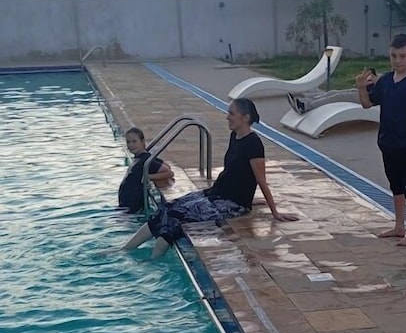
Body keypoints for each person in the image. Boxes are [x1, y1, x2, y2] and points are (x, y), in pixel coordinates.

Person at [122, 97, 298, 258]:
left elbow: (260, 179)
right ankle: (125, 249)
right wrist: (251, 198)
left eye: (232, 114)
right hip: (216, 193)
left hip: (231, 204)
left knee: (176, 216)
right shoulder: (235, 136)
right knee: (167, 207)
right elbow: (236, 174)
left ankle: (154, 260)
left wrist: (274, 212)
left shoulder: (254, 144)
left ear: (245, 117)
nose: (227, 117)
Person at [356, 33, 406, 247]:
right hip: (388, 144)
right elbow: (367, 104)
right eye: (393, 56)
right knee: (396, 187)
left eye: (402, 56)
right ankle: (399, 226)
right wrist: (361, 87)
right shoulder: (386, 81)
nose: (397, 61)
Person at [117, 127, 174, 213]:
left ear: (143, 142)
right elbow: (166, 165)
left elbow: (169, 173)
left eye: (134, 141)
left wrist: (147, 176)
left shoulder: (145, 160)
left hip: (132, 208)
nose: (131, 145)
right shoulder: (143, 158)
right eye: (128, 142)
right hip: (127, 207)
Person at [287, 69, 378, 114]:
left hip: (370, 98)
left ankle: (305, 106)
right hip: (367, 93)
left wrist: (374, 81)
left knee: (337, 97)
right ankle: (307, 100)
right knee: (333, 92)